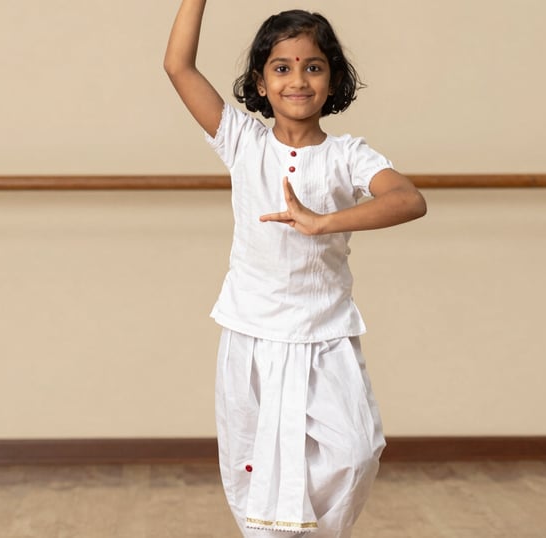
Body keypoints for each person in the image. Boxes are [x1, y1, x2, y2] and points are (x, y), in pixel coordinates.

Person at [164, 2, 427, 536]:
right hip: (253, 332)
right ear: (260, 83)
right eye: (282, 68)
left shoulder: (350, 155)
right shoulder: (242, 141)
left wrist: (324, 222)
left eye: (314, 66)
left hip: (325, 332)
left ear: (333, 80)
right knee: (253, 463)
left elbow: (408, 200)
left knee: (355, 451)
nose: (298, 80)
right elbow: (179, 67)